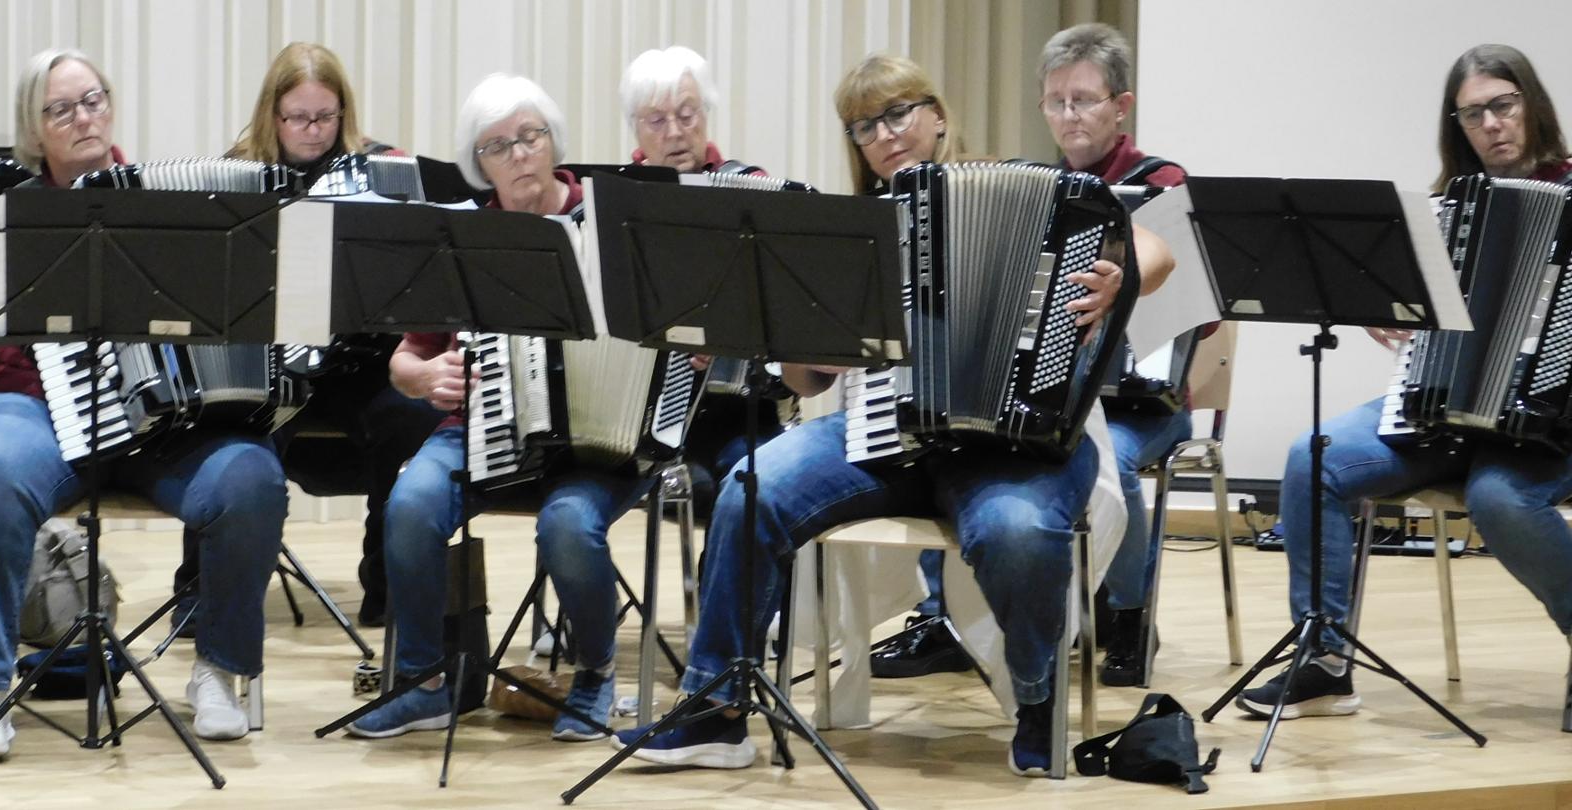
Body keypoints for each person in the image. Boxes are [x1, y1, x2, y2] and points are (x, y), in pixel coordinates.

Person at [615, 53, 1173, 777]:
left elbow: (1156, 247)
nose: (885, 133)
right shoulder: (846, 231)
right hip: (886, 437)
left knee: (1015, 531)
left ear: (937, 114)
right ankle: (717, 710)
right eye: (864, 125)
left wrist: (1123, 271)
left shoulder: (1038, 194)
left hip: (1017, 444)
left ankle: (1039, 702)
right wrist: (815, 346)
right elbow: (803, 381)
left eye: (899, 112)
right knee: (754, 485)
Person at [0, 48, 286, 762]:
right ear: (34, 130)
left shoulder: (170, 201)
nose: (82, 117)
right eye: (61, 108)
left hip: (161, 421)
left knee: (250, 476)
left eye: (92, 99)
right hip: (33, 404)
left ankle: (218, 671)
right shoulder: (8, 212)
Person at [1240, 43, 1572, 722]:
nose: (1491, 125)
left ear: (1531, 104)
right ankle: (1325, 661)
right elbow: (1412, 314)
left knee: (1501, 499)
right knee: (1316, 456)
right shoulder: (1448, 209)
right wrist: (1389, 317)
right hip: (1446, 410)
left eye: (1502, 105)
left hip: (1551, 424)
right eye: (1472, 114)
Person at [344, 73, 643, 743]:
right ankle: (422, 682)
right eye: (496, 146)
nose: (516, 156)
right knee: (413, 502)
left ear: (552, 142)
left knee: (567, 525)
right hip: (481, 429)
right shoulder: (462, 236)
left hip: (599, 438)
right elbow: (404, 358)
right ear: (478, 164)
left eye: (528, 137)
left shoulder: (611, 221)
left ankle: (595, 674)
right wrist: (427, 378)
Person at [219, 41, 441, 629]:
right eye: (298, 118)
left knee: (412, 419)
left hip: (360, 362)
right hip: (273, 363)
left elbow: (415, 282)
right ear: (273, 115)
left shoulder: (382, 169)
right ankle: (204, 593)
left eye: (326, 117)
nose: (313, 132)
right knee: (228, 423)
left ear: (344, 113)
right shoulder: (237, 171)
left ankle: (387, 591)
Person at [1037, 22, 1192, 687]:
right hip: (1056, 392)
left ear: (1120, 106)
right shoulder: (1037, 186)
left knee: (1111, 456)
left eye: (1084, 99)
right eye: (1056, 101)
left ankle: (1130, 616)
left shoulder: (1163, 182)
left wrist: (1126, 274)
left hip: (1143, 404)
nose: (1069, 115)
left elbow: (1189, 305)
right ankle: (961, 617)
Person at [619, 45, 793, 517]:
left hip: (741, 418)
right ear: (635, 128)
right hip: (641, 425)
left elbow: (791, 312)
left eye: (687, 113)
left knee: (757, 490)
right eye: (656, 120)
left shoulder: (749, 190)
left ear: (706, 115)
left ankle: (727, 589)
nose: (675, 131)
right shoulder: (617, 205)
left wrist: (731, 340)